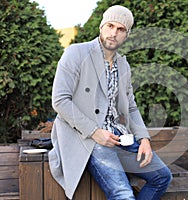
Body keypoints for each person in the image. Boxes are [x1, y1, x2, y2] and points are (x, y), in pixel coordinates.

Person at [48, 5, 172, 200]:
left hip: (119, 138)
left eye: (121, 29)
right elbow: (60, 100)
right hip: (87, 139)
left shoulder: (123, 65)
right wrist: (94, 132)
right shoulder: (76, 53)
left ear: (127, 35)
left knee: (162, 177)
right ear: (101, 27)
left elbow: (130, 106)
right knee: (123, 194)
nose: (113, 33)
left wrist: (144, 139)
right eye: (110, 26)